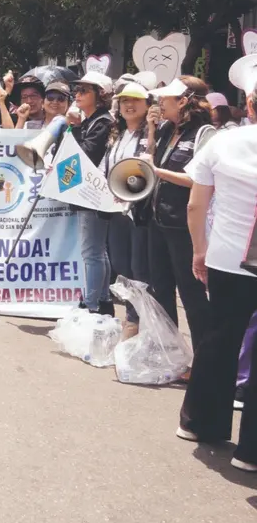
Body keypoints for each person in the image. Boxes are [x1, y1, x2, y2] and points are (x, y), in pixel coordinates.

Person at [177, 70, 257, 472]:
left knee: (219, 339)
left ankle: (199, 425)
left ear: (249, 105)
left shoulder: (223, 141)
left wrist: (198, 251)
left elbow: (196, 205)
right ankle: (251, 452)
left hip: (226, 259)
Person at [144, 76, 216, 351]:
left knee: (191, 294)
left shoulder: (204, 133)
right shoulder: (164, 129)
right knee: (160, 289)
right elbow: (152, 159)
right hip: (157, 220)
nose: (160, 104)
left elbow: (199, 180)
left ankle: (203, 358)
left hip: (184, 227)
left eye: (166, 99)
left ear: (183, 101)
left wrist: (157, 171)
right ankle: (171, 353)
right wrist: (151, 129)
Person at [104, 83, 151, 339]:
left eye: (135, 101)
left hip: (139, 212)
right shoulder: (117, 134)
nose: (128, 106)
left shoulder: (151, 133)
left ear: (147, 105)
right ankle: (132, 317)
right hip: (116, 210)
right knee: (121, 265)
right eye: (123, 102)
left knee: (139, 268)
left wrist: (153, 130)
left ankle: (136, 320)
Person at [67, 71, 116, 315]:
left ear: (100, 95)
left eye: (84, 90)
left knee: (92, 253)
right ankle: (102, 299)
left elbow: (85, 155)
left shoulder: (103, 122)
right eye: (77, 90)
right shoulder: (93, 120)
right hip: (92, 193)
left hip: (93, 193)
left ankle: (92, 304)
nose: (77, 94)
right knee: (97, 251)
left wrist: (75, 129)